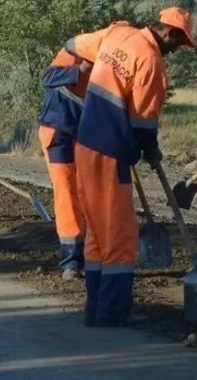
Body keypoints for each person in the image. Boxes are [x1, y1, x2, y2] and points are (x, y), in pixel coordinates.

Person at [74, 7, 195, 327]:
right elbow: (143, 123)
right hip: (110, 152)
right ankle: (113, 314)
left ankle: (96, 309)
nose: (176, 51)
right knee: (120, 236)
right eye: (178, 45)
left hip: (85, 145)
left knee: (97, 235)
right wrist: (152, 151)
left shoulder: (119, 34)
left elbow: (75, 45)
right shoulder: (151, 62)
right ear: (169, 33)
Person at [37, 21, 128, 280]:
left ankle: (93, 256)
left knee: (88, 193)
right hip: (57, 130)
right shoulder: (76, 51)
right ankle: (71, 260)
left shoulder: (118, 64)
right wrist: (81, 69)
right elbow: (48, 78)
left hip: (88, 133)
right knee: (66, 193)